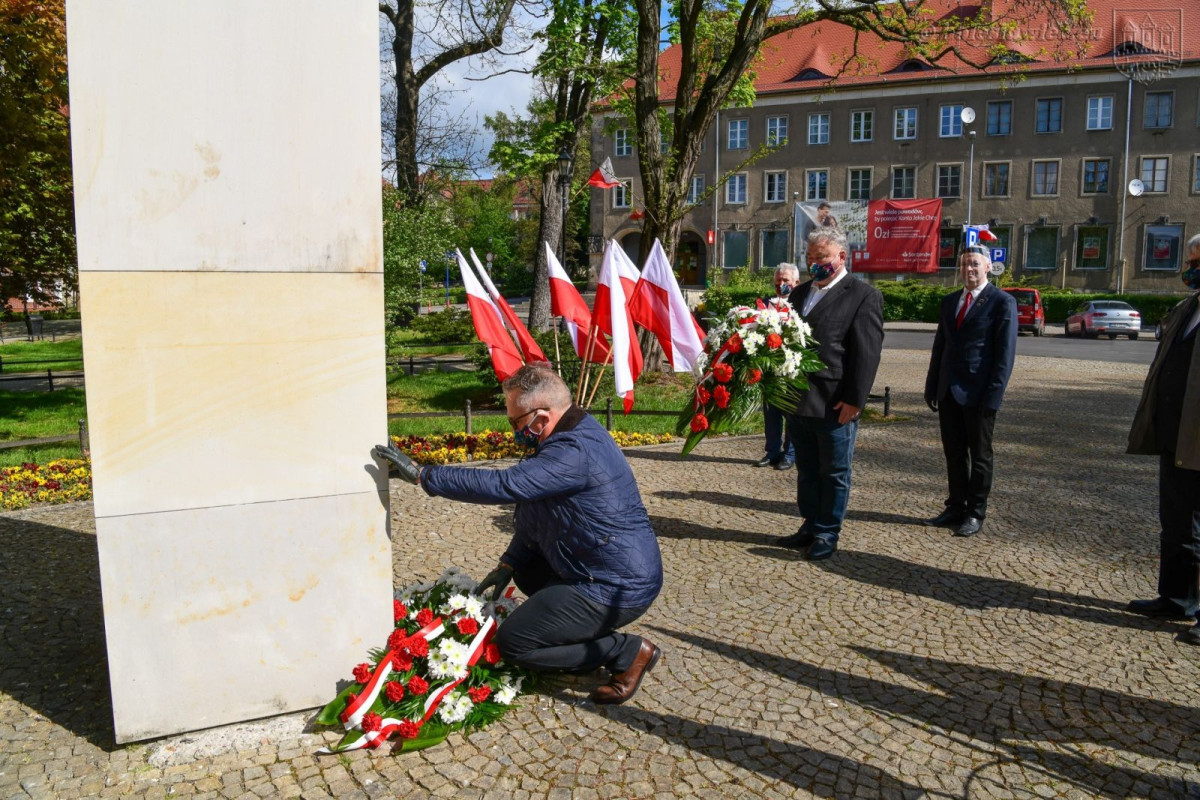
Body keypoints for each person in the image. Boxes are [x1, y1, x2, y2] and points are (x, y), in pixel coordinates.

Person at [372, 365, 664, 703]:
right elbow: (538, 508)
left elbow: (507, 484)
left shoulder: (573, 452)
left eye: (515, 422)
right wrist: (510, 561)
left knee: (515, 644)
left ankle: (626, 651)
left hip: (615, 584)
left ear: (541, 418)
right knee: (526, 571)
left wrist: (425, 476)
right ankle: (577, 637)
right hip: (595, 564)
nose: (512, 431)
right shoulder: (567, 431)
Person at [777, 228, 884, 560]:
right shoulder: (799, 293)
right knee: (807, 469)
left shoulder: (863, 295)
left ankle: (827, 532)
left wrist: (855, 399)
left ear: (841, 256)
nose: (814, 265)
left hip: (835, 403)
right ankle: (809, 523)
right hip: (798, 401)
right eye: (809, 258)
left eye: (821, 258)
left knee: (834, 471)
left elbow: (866, 353)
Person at [1126, 233, 1200, 645]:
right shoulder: (1186, 309)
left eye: (1197, 260)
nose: (1191, 268)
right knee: (1176, 524)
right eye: (1190, 260)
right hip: (1176, 437)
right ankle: (1175, 597)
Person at [922, 246, 1018, 538]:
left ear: (988, 267)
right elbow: (941, 346)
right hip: (949, 391)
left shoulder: (1002, 302)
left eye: (975, 264)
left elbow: (1005, 354)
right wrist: (932, 384)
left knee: (980, 456)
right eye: (964, 265)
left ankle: (975, 512)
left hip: (979, 393)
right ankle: (955, 505)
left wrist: (994, 395)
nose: (969, 270)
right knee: (953, 454)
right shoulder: (950, 301)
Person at [753, 263, 799, 471]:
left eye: (786, 281)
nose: (781, 285)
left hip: (792, 369)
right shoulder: (764, 304)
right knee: (771, 414)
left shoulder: (802, 303)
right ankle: (772, 452)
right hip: (770, 370)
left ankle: (789, 454)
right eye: (778, 281)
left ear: (796, 283)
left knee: (791, 414)